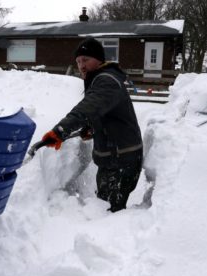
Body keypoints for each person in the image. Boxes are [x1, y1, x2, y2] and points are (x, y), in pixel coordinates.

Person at [41, 37, 143, 212]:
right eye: (78, 61)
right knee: (104, 206)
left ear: (99, 60)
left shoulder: (107, 81)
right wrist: (91, 128)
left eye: (86, 59)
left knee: (109, 212)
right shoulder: (100, 79)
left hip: (121, 159)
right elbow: (103, 112)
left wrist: (60, 131)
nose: (81, 65)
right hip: (114, 157)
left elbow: (88, 108)